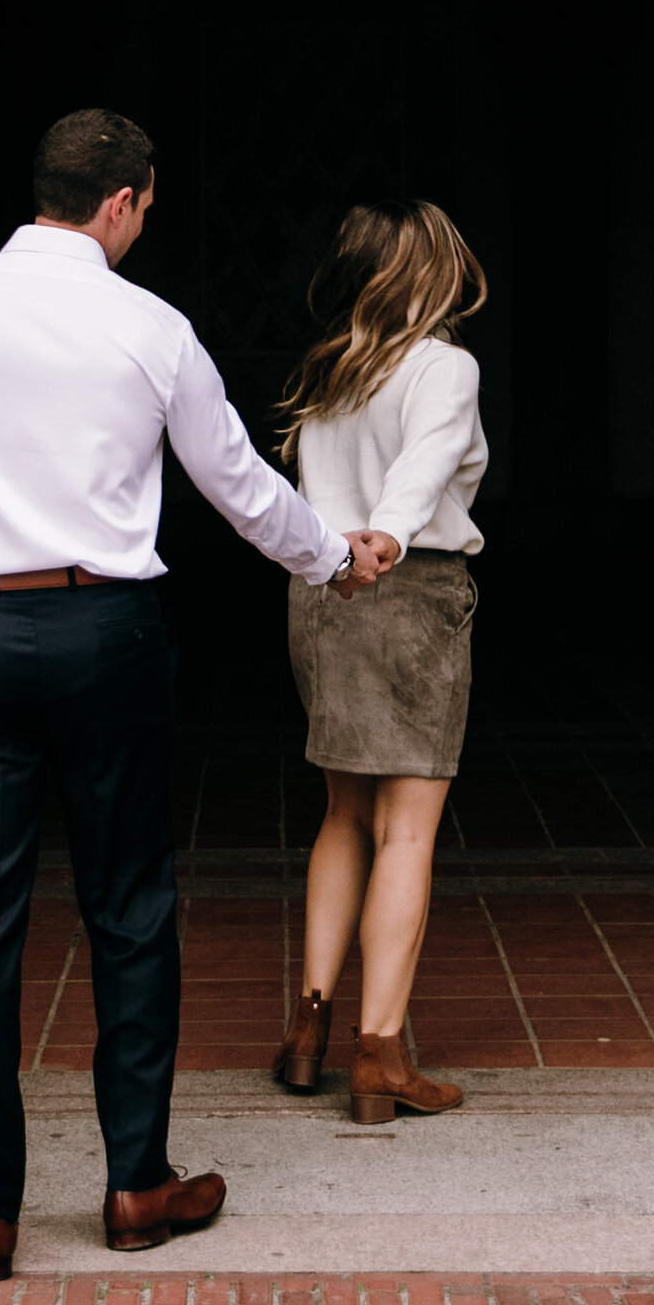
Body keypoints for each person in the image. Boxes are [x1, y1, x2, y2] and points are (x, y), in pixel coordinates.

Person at [0, 108, 398, 1282]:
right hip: (105, 633)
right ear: (121, 204)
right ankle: (137, 1182)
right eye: (147, 207)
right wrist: (328, 558)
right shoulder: (149, 325)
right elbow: (237, 480)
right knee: (132, 905)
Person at [270, 201, 488, 1125]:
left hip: (321, 592)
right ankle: (381, 1053)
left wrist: (351, 550)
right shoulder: (444, 366)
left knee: (342, 812)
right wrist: (390, 540)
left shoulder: (331, 368)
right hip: (405, 589)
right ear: (430, 271)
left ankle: (309, 1030)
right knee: (408, 829)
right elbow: (427, 464)